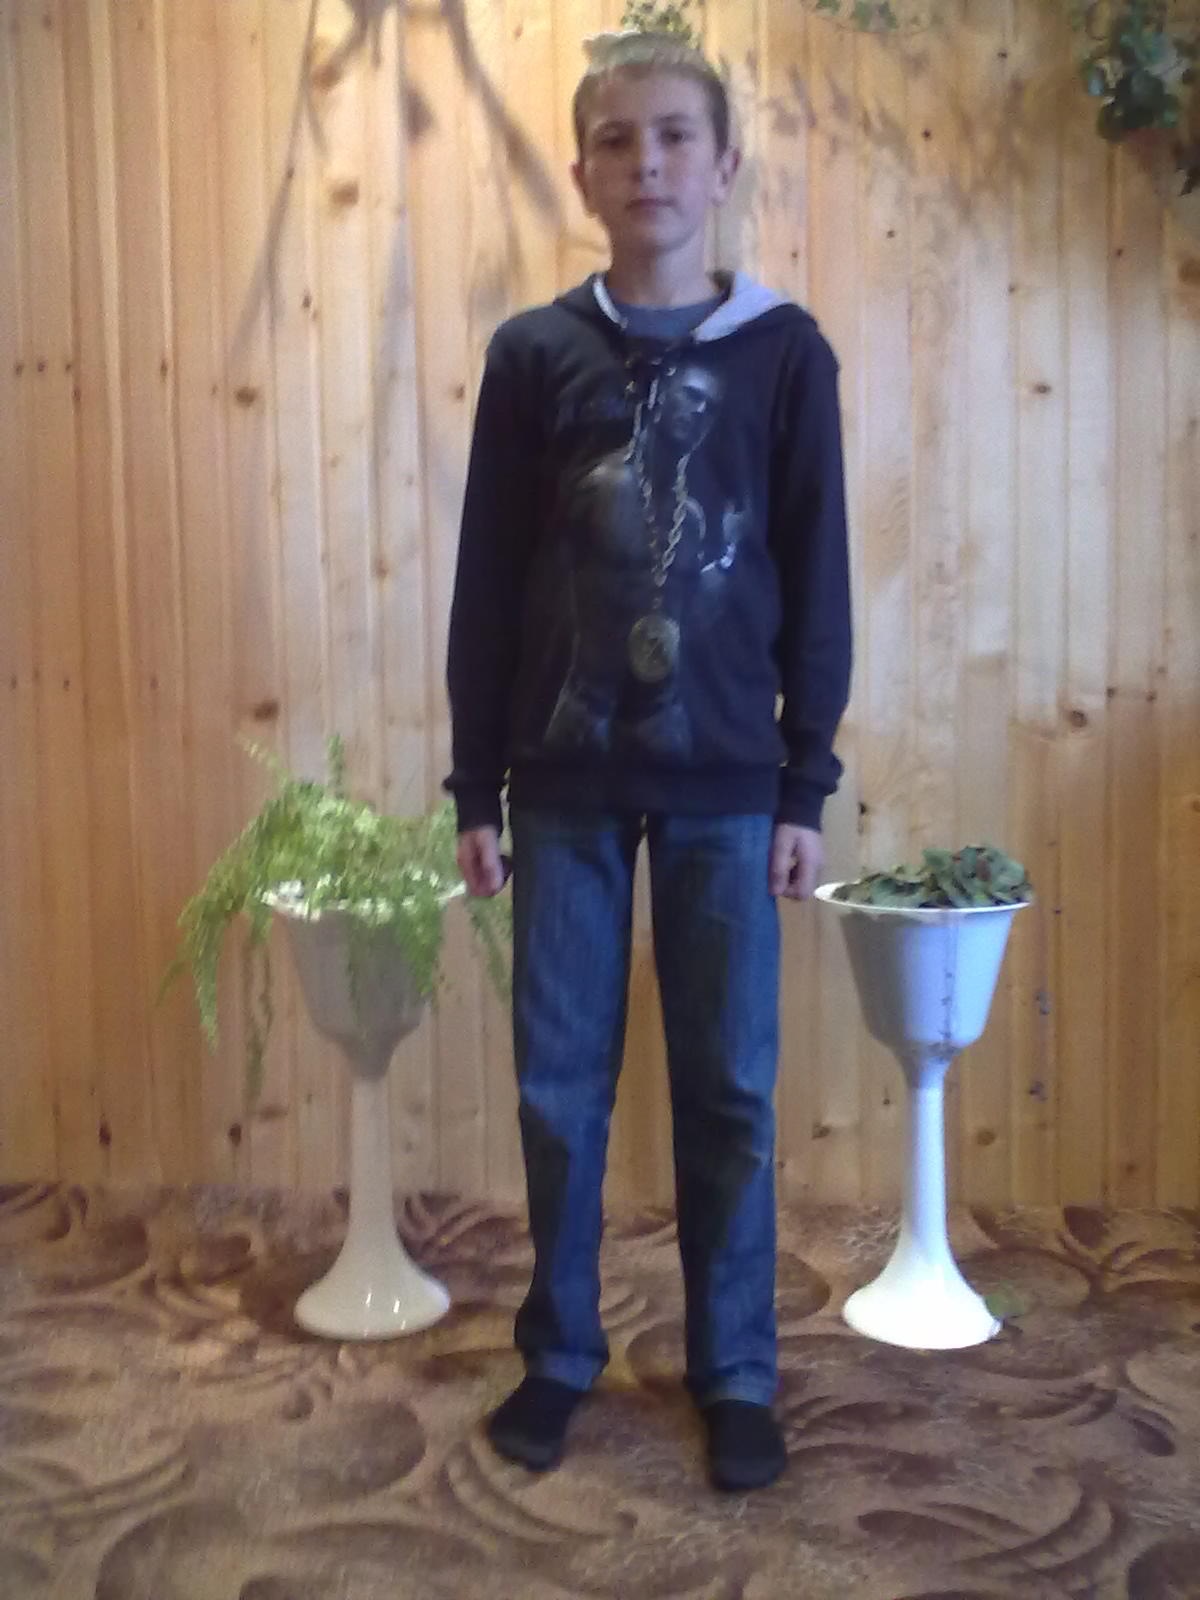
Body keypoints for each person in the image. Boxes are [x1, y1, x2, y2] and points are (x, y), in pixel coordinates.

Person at [445, 27, 851, 1493]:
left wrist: (805, 783)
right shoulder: (532, 357)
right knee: (559, 1086)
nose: (649, 164)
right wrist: (472, 784)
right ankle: (559, 1351)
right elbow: (489, 581)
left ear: (723, 163)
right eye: (618, 140)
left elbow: (817, 575)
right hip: (558, 785)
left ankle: (736, 1368)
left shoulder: (787, 356)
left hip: (729, 787)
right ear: (582, 174)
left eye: (676, 136)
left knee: (729, 1087)